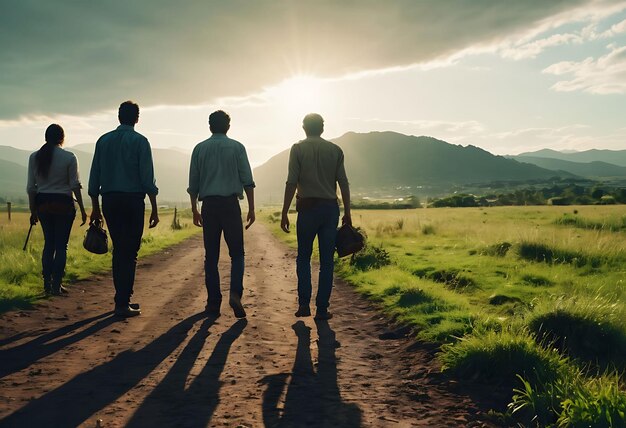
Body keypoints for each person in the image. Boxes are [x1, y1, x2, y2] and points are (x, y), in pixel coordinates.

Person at [88, 101, 159, 317]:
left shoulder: (103, 141)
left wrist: (95, 208)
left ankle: (121, 298)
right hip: (133, 201)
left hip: (109, 201)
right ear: (137, 118)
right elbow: (147, 180)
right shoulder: (140, 142)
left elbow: (94, 179)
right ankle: (122, 302)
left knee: (119, 248)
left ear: (119, 117)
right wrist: (154, 209)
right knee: (130, 251)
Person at [280, 113, 351, 320]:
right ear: (322, 128)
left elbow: (291, 182)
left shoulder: (298, 149)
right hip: (330, 210)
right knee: (327, 261)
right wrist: (347, 212)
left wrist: (285, 212)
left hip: (307, 209)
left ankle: (304, 304)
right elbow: (344, 183)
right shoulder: (335, 150)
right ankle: (322, 308)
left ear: (304, 128)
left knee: (304, 257)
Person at [188, 110, 255, 319]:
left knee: (211, 257)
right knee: (237, 254)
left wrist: (194, 209)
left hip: (209, 206)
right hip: (230, 205)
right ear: (228, 126)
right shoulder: (237, 147)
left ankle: (213, 303)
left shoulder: (199, 149)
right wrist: (251, 208)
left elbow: (194, 184)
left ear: (210, 126)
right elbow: (247, 180)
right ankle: (235, 293)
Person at [27, 124, 88, 295]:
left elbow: (31, 188)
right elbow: (75, 186)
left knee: (49, 244)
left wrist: (33, 211)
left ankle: (46, 284)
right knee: (62, 246)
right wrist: (83, 210)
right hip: (64, 205)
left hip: (43, 205)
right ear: (62, 138)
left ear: (46, 137)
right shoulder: (69, 157)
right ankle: (57, 285)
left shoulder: (34, 157)